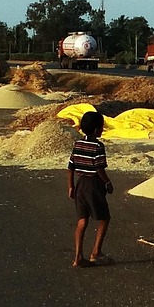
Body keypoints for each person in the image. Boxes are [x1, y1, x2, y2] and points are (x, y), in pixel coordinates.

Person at [67, 109, 114, 268]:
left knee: (82, 221)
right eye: (101, 127)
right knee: (104, 218)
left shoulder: (77, 144)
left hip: (80, 184)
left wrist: (71, 186)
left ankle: (78, 257)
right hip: (93, 185)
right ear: (96, 130)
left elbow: (71, 166)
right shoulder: (98, 146)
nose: (102, 130)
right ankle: (96, 252)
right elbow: (99, 168)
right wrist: (108, 183)